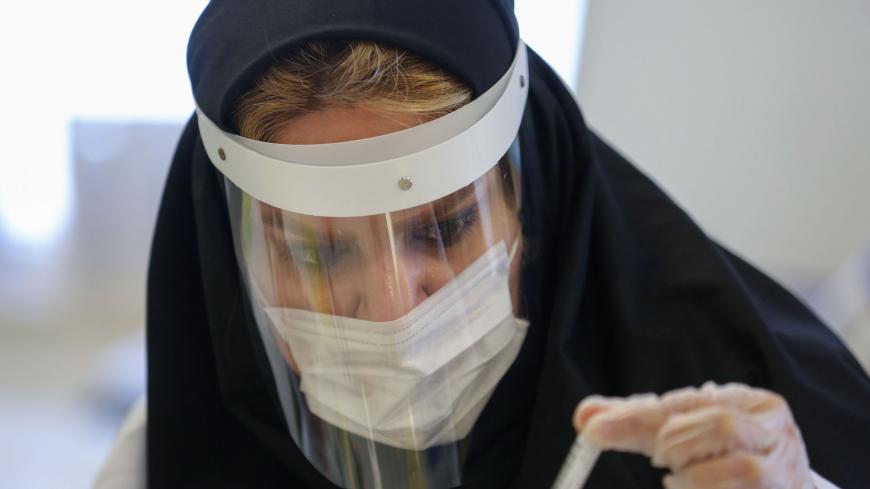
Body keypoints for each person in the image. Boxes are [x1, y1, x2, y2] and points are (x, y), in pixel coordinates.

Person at [94, 1, 870, 488]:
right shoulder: (168, 454)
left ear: (528, 199)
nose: (394, 307)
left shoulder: (726, 409)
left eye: (446, 226)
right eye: (314, 252)